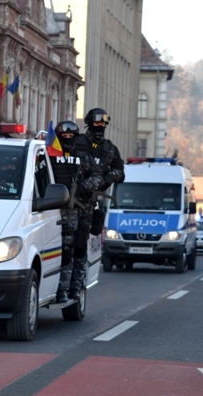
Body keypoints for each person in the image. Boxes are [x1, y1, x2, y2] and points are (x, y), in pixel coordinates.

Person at [70, 108, 124, 300]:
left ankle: (76, 287)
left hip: (90, 204)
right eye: (97, 123)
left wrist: (109, 177)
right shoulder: (77, 142)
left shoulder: (110, 148)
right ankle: (63, 283)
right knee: (65, 244)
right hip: (70, 200)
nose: (100, 126)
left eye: (103, 123)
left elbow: (121, 173)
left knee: (80, 244)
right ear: (89, 123)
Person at [49, 121, 104, 303]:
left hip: (80, 211)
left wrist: (84, 186)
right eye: (63, 136)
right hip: (55, 210)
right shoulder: (49, 155)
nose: (67, 139)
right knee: (64, 251)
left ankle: (76, 288)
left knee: (79, 250)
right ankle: (62, 289)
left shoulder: (82, 157)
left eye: (70, 136)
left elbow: (98, 177)